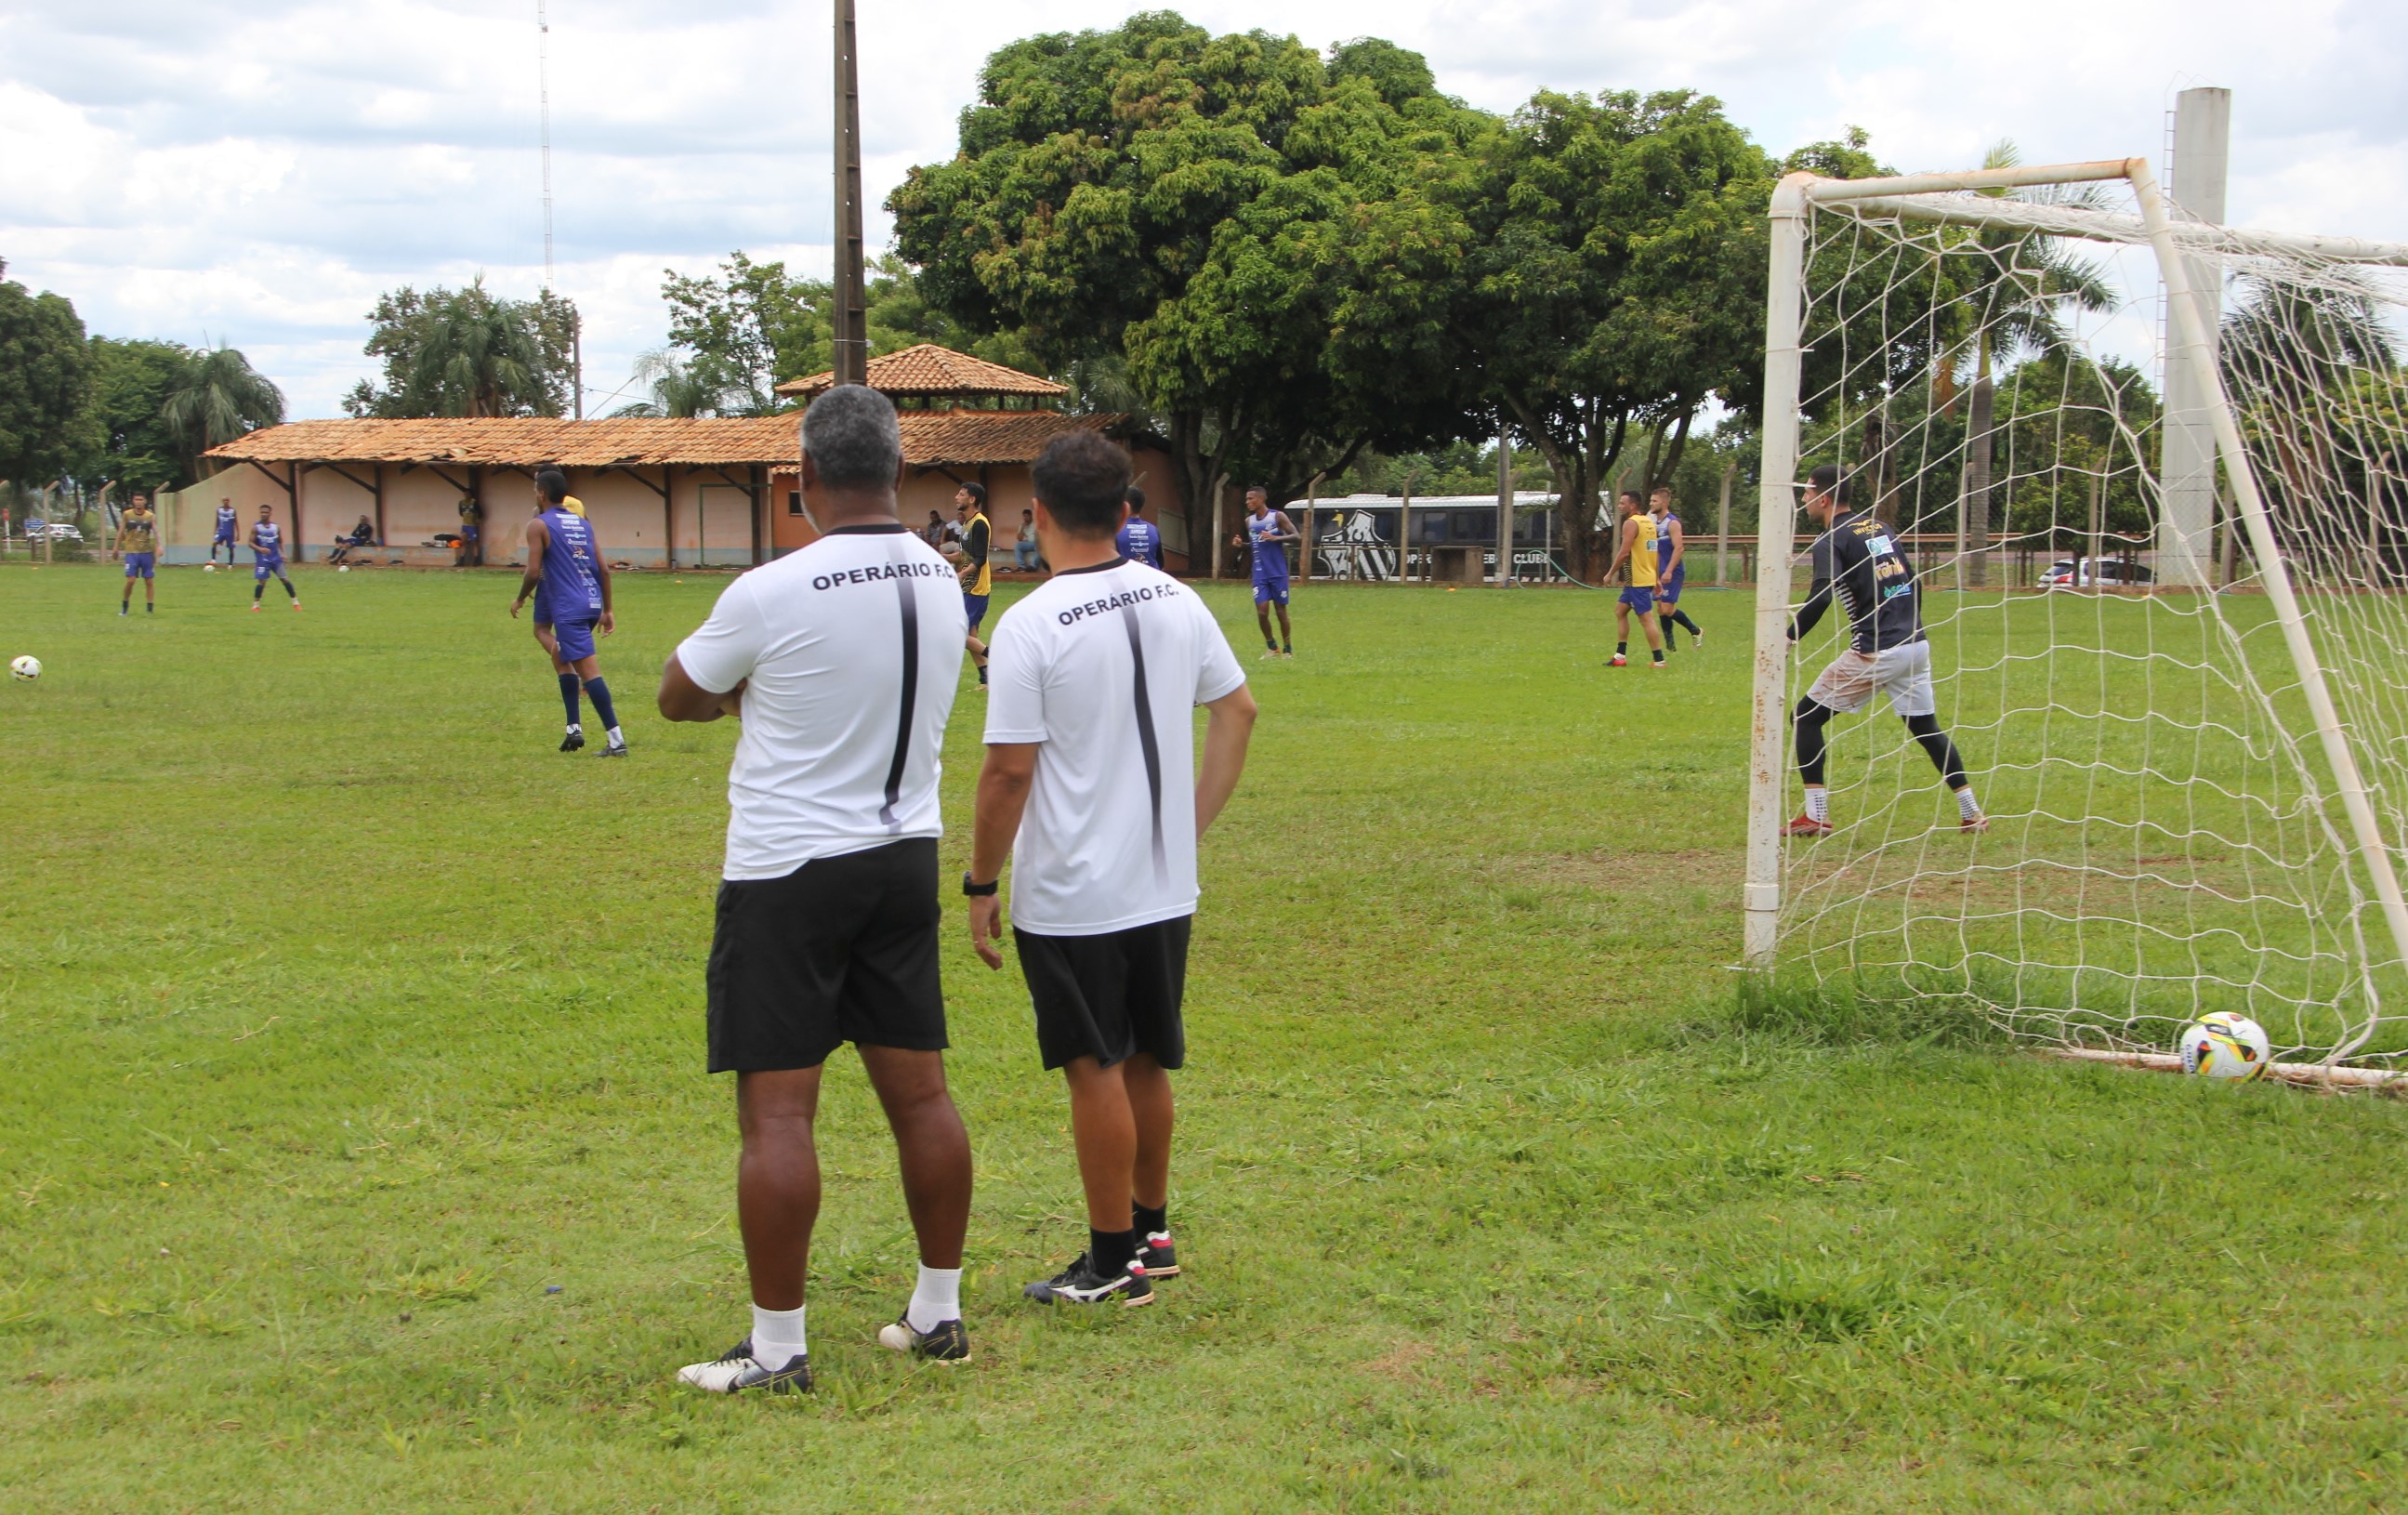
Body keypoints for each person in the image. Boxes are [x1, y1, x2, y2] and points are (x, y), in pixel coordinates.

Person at [657, 384, 975, 1391]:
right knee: (920, 1095)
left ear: (801, 482)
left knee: (781, 1116)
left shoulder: (771, 589)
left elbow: (678, 696)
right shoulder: (939, 576)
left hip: (789, 866)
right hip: (902, 855)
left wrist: (746, 694)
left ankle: (779, 1345)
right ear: (896, 473)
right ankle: (937, 1309)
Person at [969, 430, 1257, 1309]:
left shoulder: (1029, 623)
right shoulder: (1175, 597)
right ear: (1127, 512)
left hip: (1072, 891)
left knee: (1094, 1063)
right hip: (1162, 882)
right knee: (1145, 1059)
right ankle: (1152, 1232)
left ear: (1040, 514)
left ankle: (1108, 1264)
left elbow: (1009, 770)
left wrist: (980, 883)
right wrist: (1189, 823)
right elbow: (1237, 711)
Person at [1786, 464, 1987, 837]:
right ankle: (1972, 812)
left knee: (1805, 718)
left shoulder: (1831, 540)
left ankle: (1815, 816)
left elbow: (1822, 593)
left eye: (1808, 493)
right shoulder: (1879, 527)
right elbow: (1914, 581)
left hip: (1878, 650)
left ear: (1825, 498)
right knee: (1925, 726)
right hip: (1916, 644)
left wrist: (1789, 637)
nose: (1804, 499)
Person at [510, 468, 625, 756]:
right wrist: (607, 609)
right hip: (590, 601)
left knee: (589, 673)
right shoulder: (583, 524)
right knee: (561, 656)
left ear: (541, 493)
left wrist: (520, 598)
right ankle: (573, 729)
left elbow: (533, 571)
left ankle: (617, 741)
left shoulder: (538, 525)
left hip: (570, 607)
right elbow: (604, 569)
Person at [1233, 486, 1298, 657]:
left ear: (1261, 499)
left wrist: (1278, 538)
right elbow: (1257, 544)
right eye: (1246, 499)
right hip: (1259, 572)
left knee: (1280, 611)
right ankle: (1272, 647)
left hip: (1277, 571)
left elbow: (1297, 536)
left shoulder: (1277, 516)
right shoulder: (1249, 521)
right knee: (1262, 611)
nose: (1247, 502)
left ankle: (1288, 649)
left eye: (1251, 499)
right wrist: (1242, 545)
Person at [1603, 490, 1665, 667]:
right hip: (1641, 579)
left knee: (1646, 619)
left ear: (1633, 505)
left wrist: (1610, 573)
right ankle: (1620, 657)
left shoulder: (1630, 523)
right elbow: (1654, 552)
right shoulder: (1648, 522)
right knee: (1620, 611)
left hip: (1637, 580)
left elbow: (1624, 552)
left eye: (1622, 503)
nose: (1619, 506)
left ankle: (1659, 660)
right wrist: (1656, 577)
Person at [1650, 485, 1704, 650]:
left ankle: (1696, 630)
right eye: (1650, 500)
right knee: (1660, 608)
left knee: (1667, 608)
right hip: (1658, 570)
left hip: (1672, 571)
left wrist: (1669, 571)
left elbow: (1679, 548)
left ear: (1664, 503)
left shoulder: (1672, 523)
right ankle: (1670, 647)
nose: (1651, 504)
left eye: (1654, 501)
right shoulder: (1652, 521)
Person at [953, 484, 994, 691]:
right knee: (971, 636)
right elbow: (963, 556)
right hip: (968, 586)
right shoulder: (967, 524)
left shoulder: (980, 524)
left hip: (976, 586)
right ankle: (986, 680)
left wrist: (962, 573)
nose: (956, 497)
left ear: (972, 499)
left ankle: (1000, 661)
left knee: (961, 635)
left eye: (961, 494)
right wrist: (939, 557)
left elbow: (980, 558)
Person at [249, 505, 299, 611]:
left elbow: (280, 541)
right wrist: (260, 549)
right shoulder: (256, 527)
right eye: (262, 512)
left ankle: (295, 602)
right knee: (262, 581)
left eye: (266, 512)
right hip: (263, 559)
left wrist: (284, 553)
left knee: (284, 579)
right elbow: (250, 543)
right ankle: (256, 605)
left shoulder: (276, 527)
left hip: (276, 559)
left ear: (270, 514)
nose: (263, 514)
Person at [116, 492, 159, 615]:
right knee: (130, 580)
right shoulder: (127, 515)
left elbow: (156, 532)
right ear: (133, 501)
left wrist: (159, 546)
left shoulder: (150, 516)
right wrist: (116, 547)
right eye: (136, 499)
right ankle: (125, 606)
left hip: (146, 552)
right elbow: (121, 531)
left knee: (149, 581)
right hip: (131, 552)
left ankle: (150, 609)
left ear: (145, 501)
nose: (138, 502)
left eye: (141, 499)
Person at [1115, 484, 1163, 570]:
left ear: (1124, 505)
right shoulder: (1154, 530)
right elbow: (1161, 563)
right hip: (1151, 579)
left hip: (1126, 579)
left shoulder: (1116, 530)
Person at [210, 496, 241, 568]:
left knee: (231, 548)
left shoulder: (232, 511)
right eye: (224, 500)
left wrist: (238, 534)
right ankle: (213, 559)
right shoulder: (219, 510)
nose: (226, 501)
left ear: (229, 501)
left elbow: (236, 522)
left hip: (230, 533)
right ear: (222, 501)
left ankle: (230, 564)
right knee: (214, 543)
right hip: (221, 531)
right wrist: (215, 531)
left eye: (227, 500)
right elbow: (217, 521)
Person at [456, 494, 483, 567]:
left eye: (468, 494)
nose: (466, 495)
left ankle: (476, 560)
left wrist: (476, 520)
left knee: (474, 542)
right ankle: (461, 560)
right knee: (463, 542)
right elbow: (461, 513)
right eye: (465, 493)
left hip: (473, 526)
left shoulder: (474, 502)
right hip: (465, 525)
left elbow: (480, 513)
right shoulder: (461, 503)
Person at [1013, 508, 1041, 572]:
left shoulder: (1036, 523)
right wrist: (1022, 529)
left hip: (1037, 543)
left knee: (1040, 545)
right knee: (1018, 545)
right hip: (1029, 543)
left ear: (1031, 516)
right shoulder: (1022, 526)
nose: (1025, 518)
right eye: (1024, 516)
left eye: (1027, 516)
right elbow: (1019, 539)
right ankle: (1021, 566)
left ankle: (1033, 566)